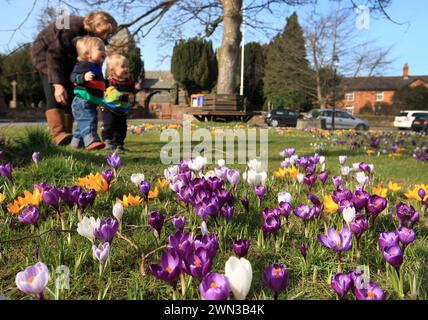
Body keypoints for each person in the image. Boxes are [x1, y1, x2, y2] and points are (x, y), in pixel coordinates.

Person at [31, 12, 117, 145]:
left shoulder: (93, 37)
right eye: (105, 31)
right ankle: (58, 134)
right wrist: (58, 84)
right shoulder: (71, 27)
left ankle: (68, 135)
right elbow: (54, 54)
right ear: (96, 23)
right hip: (46, 55)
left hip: (69, 62)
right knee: (56, 93)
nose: (105, 37)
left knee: (73, 92)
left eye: (109, 34)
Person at [69, 37, 106, 150]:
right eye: (100, 49)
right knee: (89, 119)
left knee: (82, 125)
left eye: (104, 49)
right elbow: (73, 77)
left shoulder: (97, 67)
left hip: (89, 101)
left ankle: (76, 143)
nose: (104, 52)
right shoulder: (83, 65)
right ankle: (92, 140)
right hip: (82, 101)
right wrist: (83, 77)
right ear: (88, 54)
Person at [101, 54, 135, 151]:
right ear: (112, 70)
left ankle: (119, 144)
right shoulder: (110, 82)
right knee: (109, 125)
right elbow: (111, 94)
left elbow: (132, 92)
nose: (126, 69)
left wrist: (133, 95)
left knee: (122, 127)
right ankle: (107, 141)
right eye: (123, 66)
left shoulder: (129, 82)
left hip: (122, 110)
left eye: (127, 66)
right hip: (109, 108)